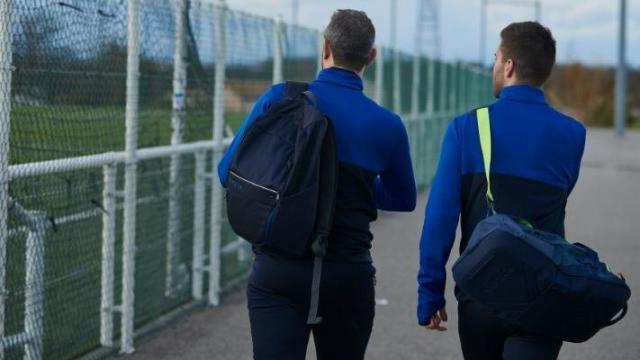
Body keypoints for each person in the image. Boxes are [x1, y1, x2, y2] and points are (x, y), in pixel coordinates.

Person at [218, 9, 416, 360]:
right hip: (347, 273)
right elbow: (404, 198)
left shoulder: (280, 99)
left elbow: (226, 173)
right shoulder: (388, 125)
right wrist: (348, 188)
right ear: (371, 56)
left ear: (324, 47)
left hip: (278, 271)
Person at [417, 21, 586, 360]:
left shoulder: (466, 128)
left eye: (496, 57)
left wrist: (430, 293)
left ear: (508, 66)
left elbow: (440, 218)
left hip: (482, 292)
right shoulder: (573, 134)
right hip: (545, 291)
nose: (494, 65)